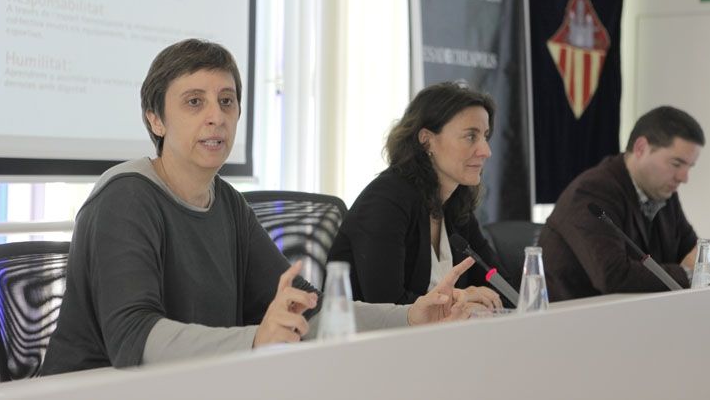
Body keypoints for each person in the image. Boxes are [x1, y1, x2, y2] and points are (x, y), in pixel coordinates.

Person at [40, 39, 480, 375]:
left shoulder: (226, 201)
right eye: (195, 102)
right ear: (155, 119)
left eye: (227, 101)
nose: (217, 116)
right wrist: (256, 340)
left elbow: (308, 306)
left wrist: (410, 315)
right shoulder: (126, 197)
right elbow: (133, 340)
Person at [327, 82, 504, 309]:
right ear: (427, 139)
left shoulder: (455, 205)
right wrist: (460, 299)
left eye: (485, 137)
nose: (486, 151)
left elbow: (501, 286)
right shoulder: (385, 201)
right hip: (368, 341)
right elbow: (387, 306)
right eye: (471, 136)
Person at [538, 105, 710, 301]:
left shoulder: (663, 193)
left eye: (689, 167)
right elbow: (612, 276)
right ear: (641, 148)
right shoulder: (593, 191)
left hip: (636, 318)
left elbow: (694, 257)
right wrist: (688, 274)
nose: (684, 177)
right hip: (573, 320)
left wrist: (709, 274)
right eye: (676, 164)